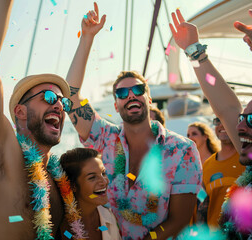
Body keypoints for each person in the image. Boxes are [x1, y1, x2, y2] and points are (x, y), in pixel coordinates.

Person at [66, 3, 202, 239]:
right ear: (116, 105)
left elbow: (180, 219)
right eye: (121, 93)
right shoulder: (104, 138)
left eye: (138, 89)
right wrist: (87, 38)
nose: (130, 95)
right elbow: (70, 96)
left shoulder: (183, 150)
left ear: (148, 98)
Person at [170, 9, 252, 239]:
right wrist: (194, 51)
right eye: (243, 119)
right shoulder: (251, 182)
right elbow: (227, 109)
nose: (241, 126)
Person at [0, 1, 75, 239]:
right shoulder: (1, 156)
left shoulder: (57, 179)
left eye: (62, 101)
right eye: (48, 97)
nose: (58, 104)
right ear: (20, 112)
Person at [60, 148, 122, 240]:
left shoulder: (109, 217)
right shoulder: (63, 228)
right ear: (73, 185)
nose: (104, 181)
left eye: (103, 173)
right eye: (92, 177)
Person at [196, 117, 246, 228]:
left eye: (226, 119)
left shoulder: (248, 160)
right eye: (218, 120)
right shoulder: (207, 165)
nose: (221, 125)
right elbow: (203, 205)